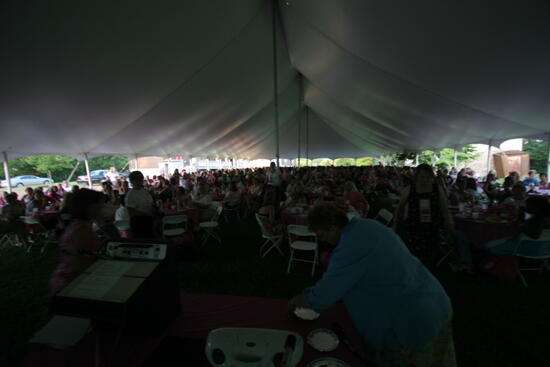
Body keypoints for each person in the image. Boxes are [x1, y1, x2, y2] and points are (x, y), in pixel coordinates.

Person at [289, 204, 456, 367]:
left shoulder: (349, 247)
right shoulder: (368, 224)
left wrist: (301, 299)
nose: (322, 241)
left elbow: (325, 294)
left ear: (333, 228)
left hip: (413, 319)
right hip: (433, 300)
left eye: (322, 236)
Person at [393, 164, 455, 266]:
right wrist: (395, 224)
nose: (424, 179)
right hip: (413, 229)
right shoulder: (410, 189)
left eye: (427, 177)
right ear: (416, 177)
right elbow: (400, 208)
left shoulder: (437, 189)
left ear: (431, 177)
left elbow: (444, 208)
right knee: (413, 257)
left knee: (429, 257)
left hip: (432, 229)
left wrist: (449, 223)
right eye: (422, 177)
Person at [48, 189, 105, 296]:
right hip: (71, 285)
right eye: (100, 205)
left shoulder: (79, 225)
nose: (102, 208)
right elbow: (79, 262)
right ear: (90, 207)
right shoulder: (82, 230)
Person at [125, 171, 155, 238]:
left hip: (148, 219)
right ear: (132, 181)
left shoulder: (144, 191)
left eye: (141, 179)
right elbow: (131, 212)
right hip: (138, 222)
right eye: (138, 179)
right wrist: (145, 213)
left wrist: (152, 208)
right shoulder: (130, 195)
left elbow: (151, 203)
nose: (141, 181)